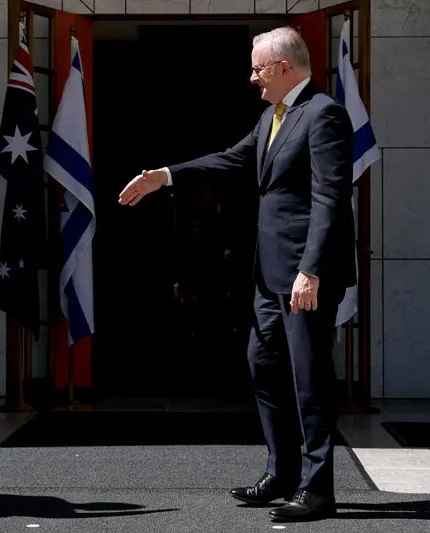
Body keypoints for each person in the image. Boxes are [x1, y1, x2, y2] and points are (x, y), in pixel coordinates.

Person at [118, 26, 354, 522]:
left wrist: (311, 270)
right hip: (270, 275)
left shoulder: (323, 114)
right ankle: (282, 473)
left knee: (309, 380)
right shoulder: (273, 116)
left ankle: (318, 490)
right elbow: (231, 160)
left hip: (304, 277)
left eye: (257, 68)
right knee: (262, 365)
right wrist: (166, 176)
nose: (252, 78)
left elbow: (330, 198)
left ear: (283, 67)